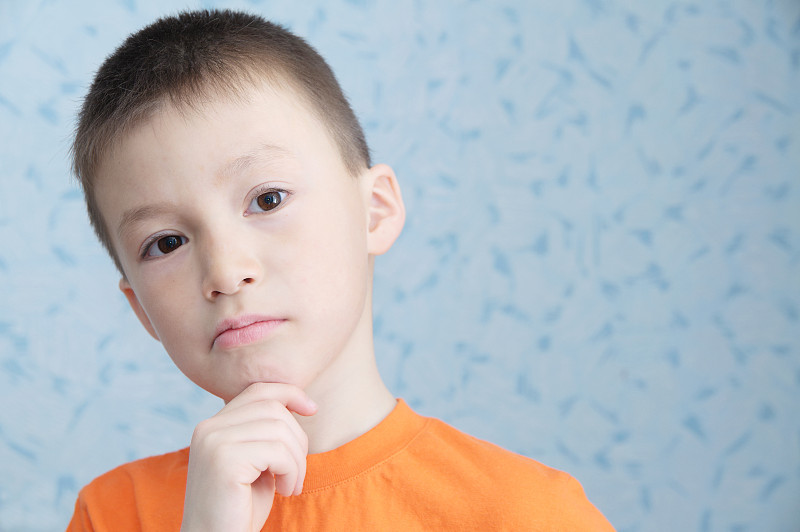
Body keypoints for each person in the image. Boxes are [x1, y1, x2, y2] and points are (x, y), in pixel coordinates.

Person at [66, 9, 614, 531]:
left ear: (373, 212)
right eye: (167, 242)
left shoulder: (529, 514)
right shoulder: (114, 514)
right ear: (140, 307)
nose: (227, 272)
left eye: (268, 199)